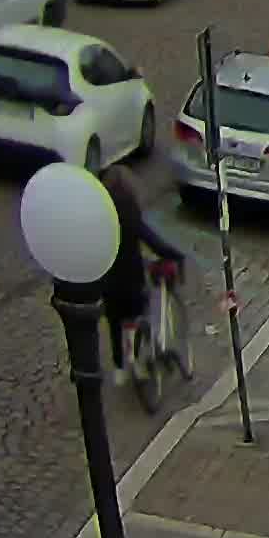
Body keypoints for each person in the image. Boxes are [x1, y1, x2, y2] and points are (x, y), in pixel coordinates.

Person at [97, 158, 183, 379]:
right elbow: (153, 242)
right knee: (140, 313)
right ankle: (137, 358)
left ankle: (119, 368)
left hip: (108, 286)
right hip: (132, 285)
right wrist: (173, 254)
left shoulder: (100, 218)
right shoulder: (130, 214)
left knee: (114, 322)